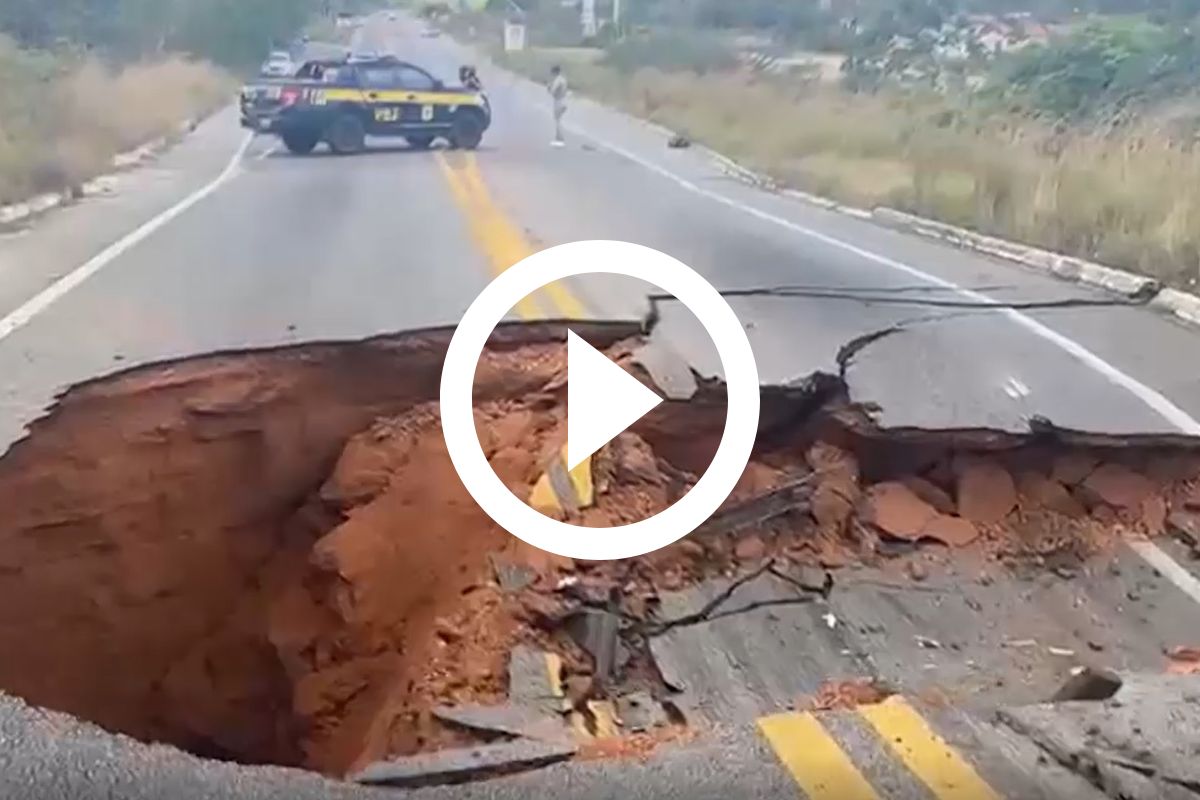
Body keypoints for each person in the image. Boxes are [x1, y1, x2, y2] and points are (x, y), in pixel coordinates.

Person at [548, 65, 568, 147]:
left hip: (558, 101)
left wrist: (549, 88)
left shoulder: (557, 80)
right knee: (559, 119)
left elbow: (553, 91)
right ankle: (559, 138)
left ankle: (560, 139)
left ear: (554, 72)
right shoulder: (563, 79)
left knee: (558, 121)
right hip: (565, 100)